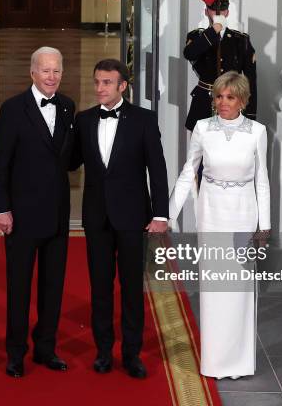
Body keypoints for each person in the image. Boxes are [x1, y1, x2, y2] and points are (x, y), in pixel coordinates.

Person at [168, 71, 270, 379]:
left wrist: (264, 224)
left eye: (229, 97)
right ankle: (214, 361)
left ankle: (239, 362)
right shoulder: (202, 128)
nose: (222, 103)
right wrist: (168, 214)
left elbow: (262, 180)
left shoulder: (257, 132)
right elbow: (189, 171)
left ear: (242, 100)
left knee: (238, 289)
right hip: (211, 211)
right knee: (214, 287)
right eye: (218, 97)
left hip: (243, 212)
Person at [71, 59, 169, 379]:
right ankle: (103, 352)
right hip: (97, 218)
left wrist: (160, 214)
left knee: (130, 289)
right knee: (100, 289)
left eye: (107, 83)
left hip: (133, 218)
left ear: (122, 86)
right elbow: (68, 162)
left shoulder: (144, 119)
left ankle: (131, 354)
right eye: (97, 82)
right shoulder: (83, 120)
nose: (100, 88)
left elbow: (157, 169)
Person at [0, 46, 76, 378]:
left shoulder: (67, 107)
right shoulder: (12, 110)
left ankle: (46, 348)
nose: (51, 77)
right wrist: (1, 210)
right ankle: (15, 353)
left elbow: (69, 157)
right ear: (32, 73)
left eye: (57, 71)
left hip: (57, 214)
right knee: (19, 288)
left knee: (53, 287)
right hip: (21, 217)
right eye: (45, 71)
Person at [184, 0, 257, 131]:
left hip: (231, 104)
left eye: (222, 9)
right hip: (204, 104)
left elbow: (250, 82)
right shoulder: (197, 37)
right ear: (206, 12)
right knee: (201, 151)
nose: (218, 13)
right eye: (213, 9)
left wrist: (250, 115)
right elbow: (189, 53)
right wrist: (214, 30)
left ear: (227, 12)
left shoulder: (241, 41)